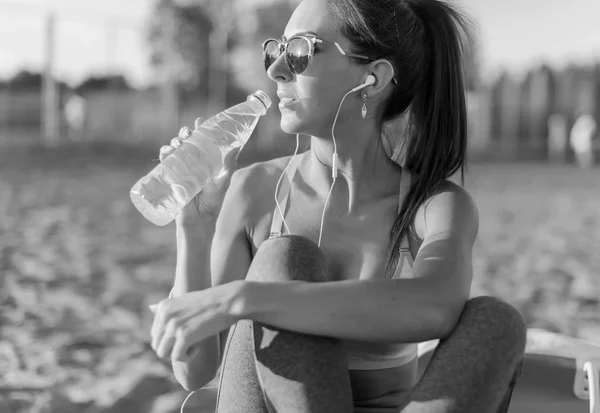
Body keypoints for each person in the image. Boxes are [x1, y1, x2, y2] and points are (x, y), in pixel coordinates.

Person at [149, 0, 526, 412]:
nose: (276, 69)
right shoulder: (254, 191)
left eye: (300, 52)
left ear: (373, 77)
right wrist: (195, 226)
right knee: (284, 259)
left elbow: (437, 305)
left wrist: (244, 298)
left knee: (497, 323)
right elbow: (195, 370)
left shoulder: (433, 206)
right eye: (276, 50)